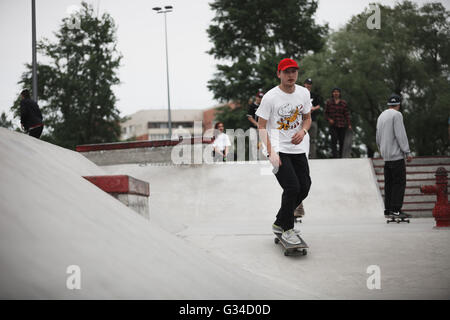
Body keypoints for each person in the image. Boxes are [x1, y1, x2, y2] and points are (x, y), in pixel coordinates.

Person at [256, 58, 312, 245]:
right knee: (292, 187)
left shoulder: (303, 93)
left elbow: (307, 119)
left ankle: (280, 222)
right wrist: (271, 152)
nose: (291, 75)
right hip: (278, 149)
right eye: (286, 72)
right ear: (279, 74)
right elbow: (261, 126)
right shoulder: (270, 97)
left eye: (294, 71)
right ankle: (287, 228)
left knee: (304, 187)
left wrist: (303, 131)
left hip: (298, 149)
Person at [376, 93, 412, 218]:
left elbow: (378, 137)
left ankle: (388, 209)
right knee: (399, 183)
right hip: (396, 156)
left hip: (386, 157)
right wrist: (407, 151)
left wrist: (382, 151)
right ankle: (396, 209)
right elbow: (400, 134)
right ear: (399, 104)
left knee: (389, 184)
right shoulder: (397, 115)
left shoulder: (381, 116)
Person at [325, 87, 351, 158]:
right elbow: (326, 114)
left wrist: (349, 124)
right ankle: (334, 156)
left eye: (337, 92)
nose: (336, 93)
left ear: (339, 93)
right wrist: (329, 119)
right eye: (334, 92)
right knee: (334, 140)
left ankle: (341, 156)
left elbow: (347, 114)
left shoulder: (343, 103)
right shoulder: (329, 102)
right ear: (332, 93)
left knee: (341, 141)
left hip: (342, 124)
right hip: (333, 125)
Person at [303, 78, 321, 159]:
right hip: (303, 120)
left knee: (313, 139)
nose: (308, 85)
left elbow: (319, 105)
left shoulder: (314, 95)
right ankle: (303, 155)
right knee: (302, 137)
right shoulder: (300, 94)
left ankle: (312, 156)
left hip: (313, 119)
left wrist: (313, 108)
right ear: (304, 84)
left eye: (310, 84)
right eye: (307, 84)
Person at [247, 91, 264, 159]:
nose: (260, 99)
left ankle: (261, 158)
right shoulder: (252, 106)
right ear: (256, 97)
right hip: (253, 128)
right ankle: (254, 159)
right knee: (253, 142)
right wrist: (257, 124)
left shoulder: (263, 106)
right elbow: (249, 117)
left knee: (261, 144)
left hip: (261, 128)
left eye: (261, 98)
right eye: (259, 97)